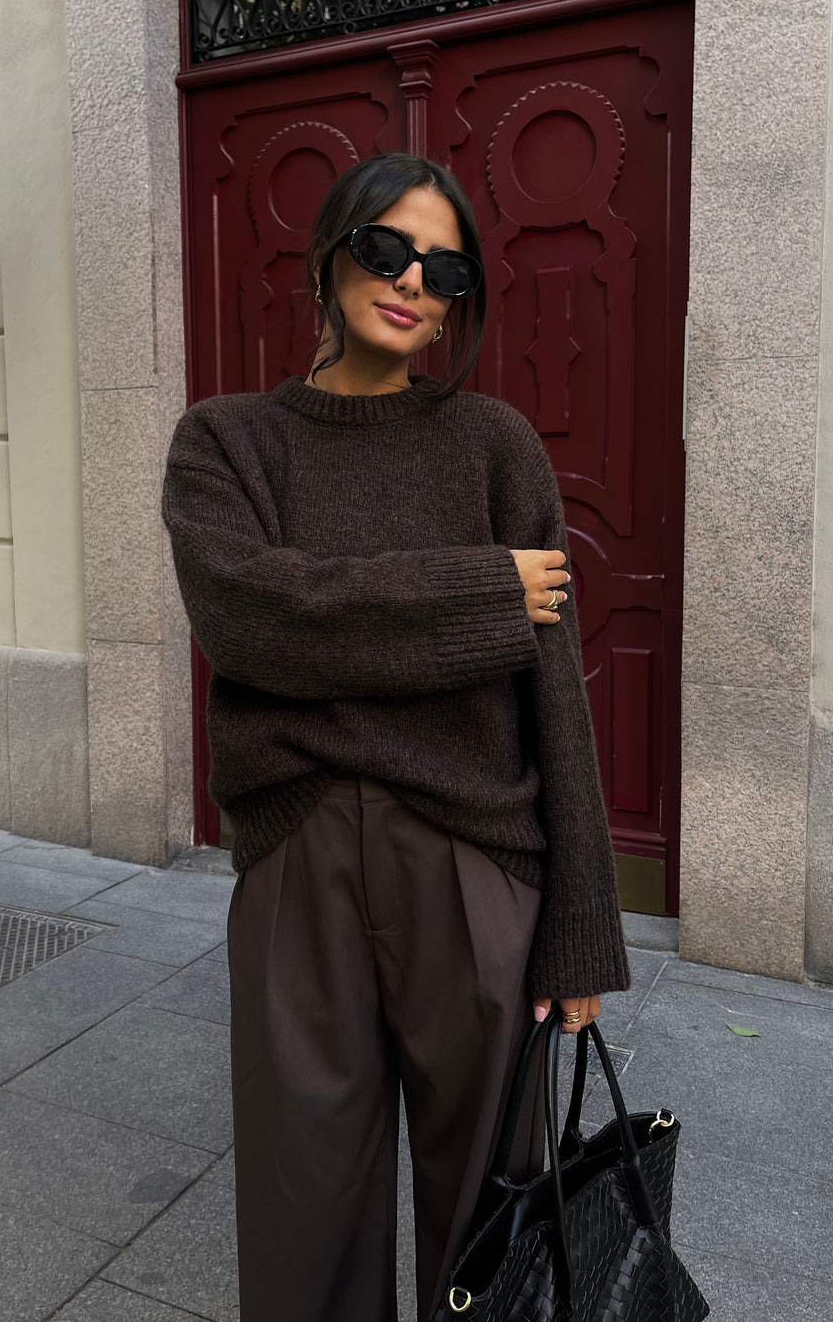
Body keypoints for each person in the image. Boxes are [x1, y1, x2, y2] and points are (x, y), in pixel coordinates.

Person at [161, 151, 631, 1322]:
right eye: (386, 248)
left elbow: (554, 697)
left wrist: (580, 933)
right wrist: (481, 592)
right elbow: (254, 620)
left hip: (474, 867)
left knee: (492, 1220)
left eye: (445, 268)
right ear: (330, 254)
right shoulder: (226, 442)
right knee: (302, 1211)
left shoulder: (495, 445)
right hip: (299, 859)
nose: (412, 280)